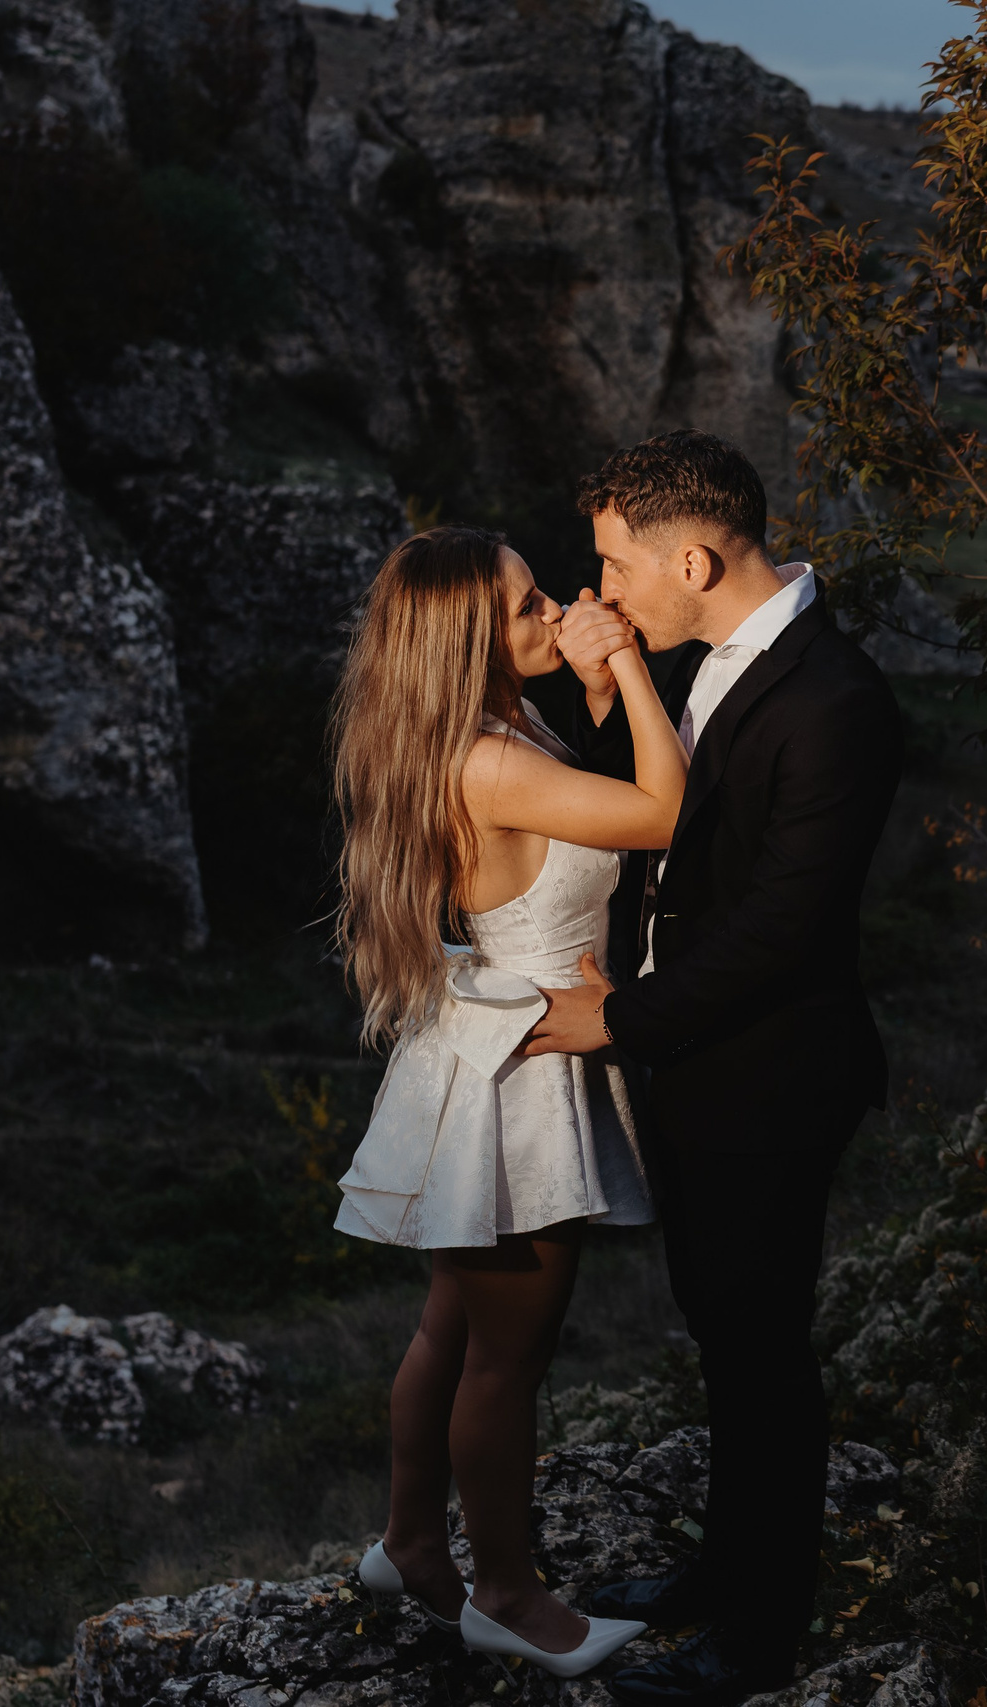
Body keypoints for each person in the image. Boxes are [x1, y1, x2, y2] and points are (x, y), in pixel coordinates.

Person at [521, 429, 905, 1706]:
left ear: (692, 556)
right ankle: (721, 1574)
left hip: (771, 1072)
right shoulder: (712, 657)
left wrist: (616, 1021)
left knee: (760, 1350)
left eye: (615, 567)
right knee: (722, 1333)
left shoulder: (836, 701)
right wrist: (605, 679)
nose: (600, 593)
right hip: (701, 1065)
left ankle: (760, 1632)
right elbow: (662, 826)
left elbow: (782, 927)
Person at [327, 525, 684, 1679]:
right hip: (523, 1076)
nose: (559, 608)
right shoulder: (488, 760)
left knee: (451, 1323)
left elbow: (565, 810)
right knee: (506, 1359)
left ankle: (408, 1542)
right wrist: (626, 660)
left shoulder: (491, 734)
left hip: (492, 1043)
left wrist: (577, 680)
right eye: (530, 605)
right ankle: (510, 1596)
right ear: (472, 638)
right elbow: (664, 814)